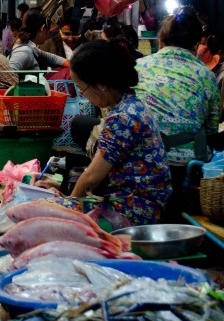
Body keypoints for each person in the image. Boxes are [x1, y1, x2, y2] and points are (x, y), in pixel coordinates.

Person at [45, 38, 173, 225]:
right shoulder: (131, 104)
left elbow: (91, 178)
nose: (83, 96)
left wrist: (68, 206)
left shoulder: (122, 118)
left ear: (102, 84)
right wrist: (62, 189)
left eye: (82, 88)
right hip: (139, 203)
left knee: (50, 218)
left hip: (135, 211)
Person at [134, 6, 221, 166]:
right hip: (190, 163)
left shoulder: (139, 66)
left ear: (160, 41)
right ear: (196, 46)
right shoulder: (206, 75)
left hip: (144, 158)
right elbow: (212, 128)